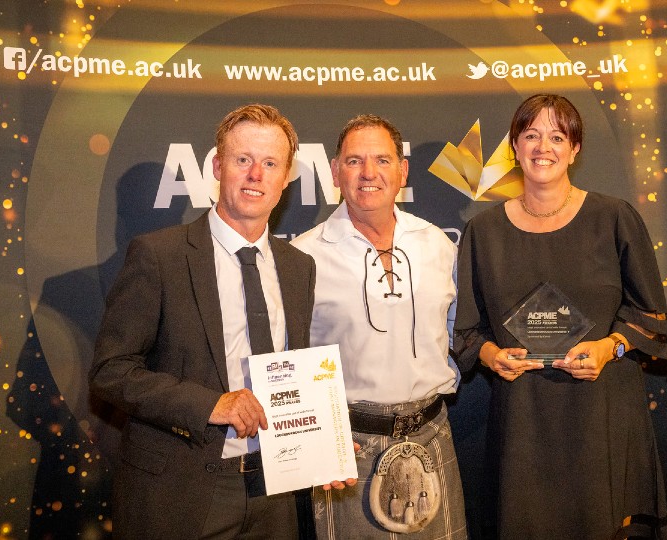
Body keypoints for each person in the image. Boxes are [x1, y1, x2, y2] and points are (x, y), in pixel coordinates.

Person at [90, 104, 353, 540]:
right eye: (243, 159)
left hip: (277, 491)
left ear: (286, 177)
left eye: (270, 163)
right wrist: (210, 404)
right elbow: (110, 371)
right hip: (184, 490)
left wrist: (320, 449)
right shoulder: (159, 256)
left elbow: (295, 372)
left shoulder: (297, 266)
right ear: (216, 166)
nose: (256, 174)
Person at [453, 94, 667, 539]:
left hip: (602, 413)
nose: (543, 147)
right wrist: (492, 354)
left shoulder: (613, 218)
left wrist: (608, 346)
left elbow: (651, 315)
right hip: (524, 421)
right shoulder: (484, 231)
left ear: (575, 149)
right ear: (514, 146)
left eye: (557, 136)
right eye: (531, 135)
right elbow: (467, 331)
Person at [291, 114, 467, 539]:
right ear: (335, 172)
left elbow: (459, 331)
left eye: (382, 160)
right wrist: (319, 444)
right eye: (354, 161)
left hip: (432, 434)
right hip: (347, 449)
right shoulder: (303, 256)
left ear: (402, 171)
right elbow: (290, 358)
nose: (369, 173)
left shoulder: (438, 245)